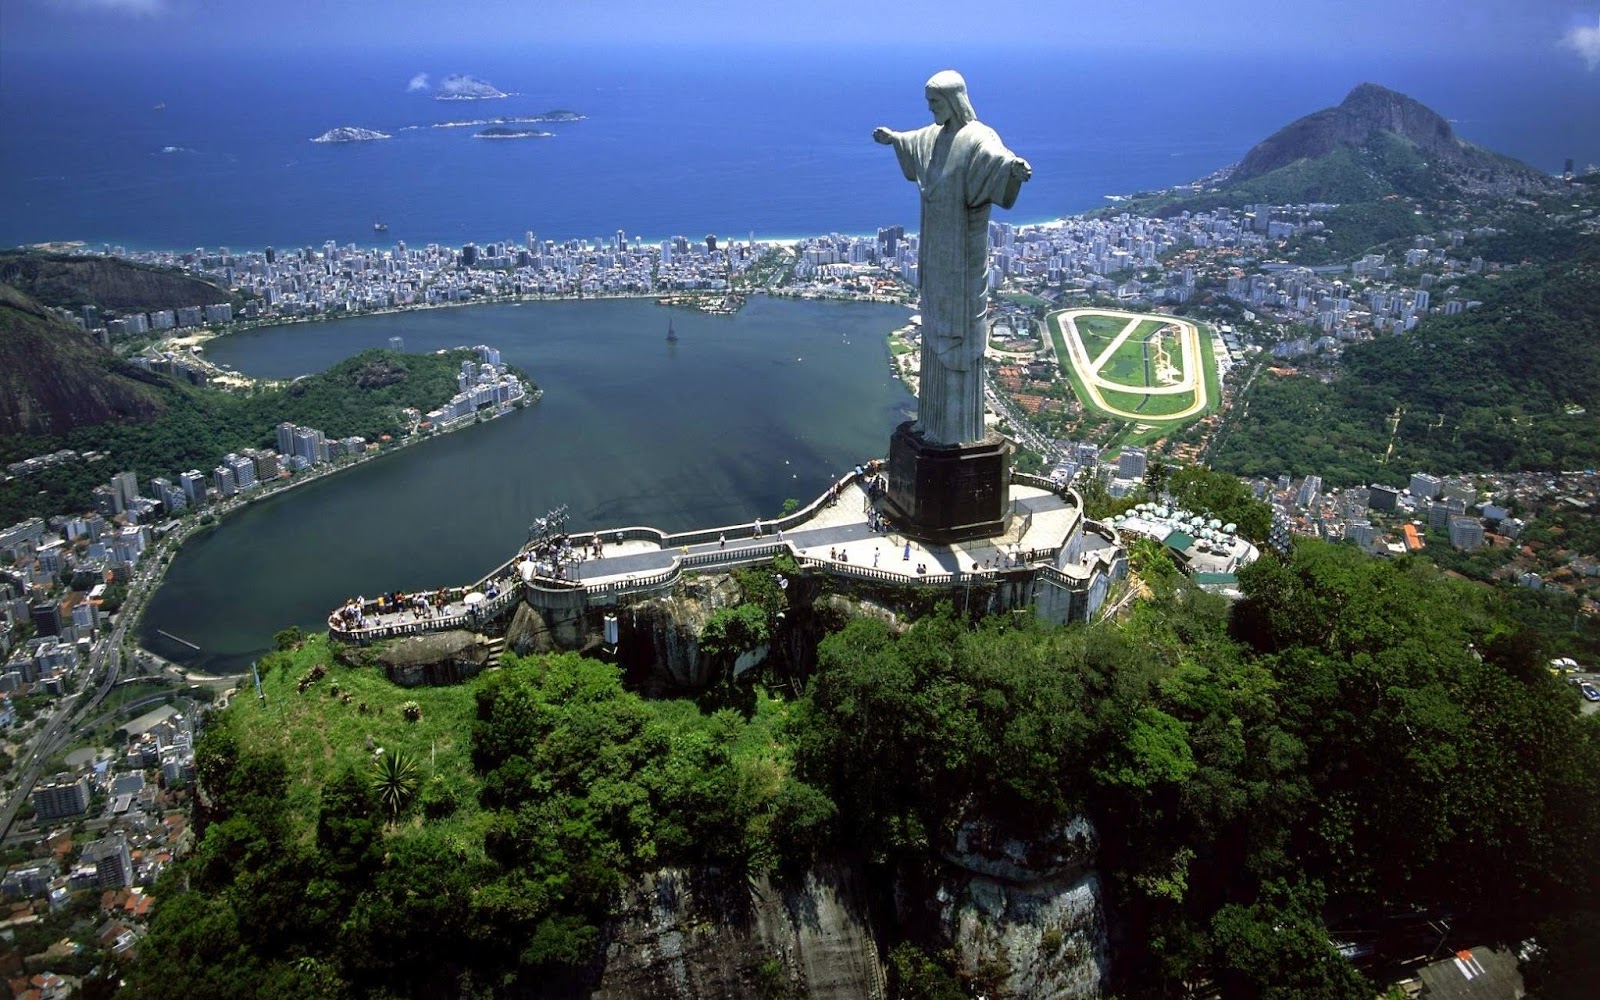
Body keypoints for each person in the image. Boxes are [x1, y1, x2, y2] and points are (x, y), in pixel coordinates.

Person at [874, 71, 1030, 445]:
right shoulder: (933, 135)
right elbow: (914, 144)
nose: (931, 110)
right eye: (929, 104)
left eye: (936, 103)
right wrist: (893, 138)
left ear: (955, 100)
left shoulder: (978, 137)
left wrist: (1014, 170)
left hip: (962, 256)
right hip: (936, 254)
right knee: (932, 332)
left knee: (960, 336)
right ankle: (931, 422)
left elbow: (998, 161)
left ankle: (958, 431)